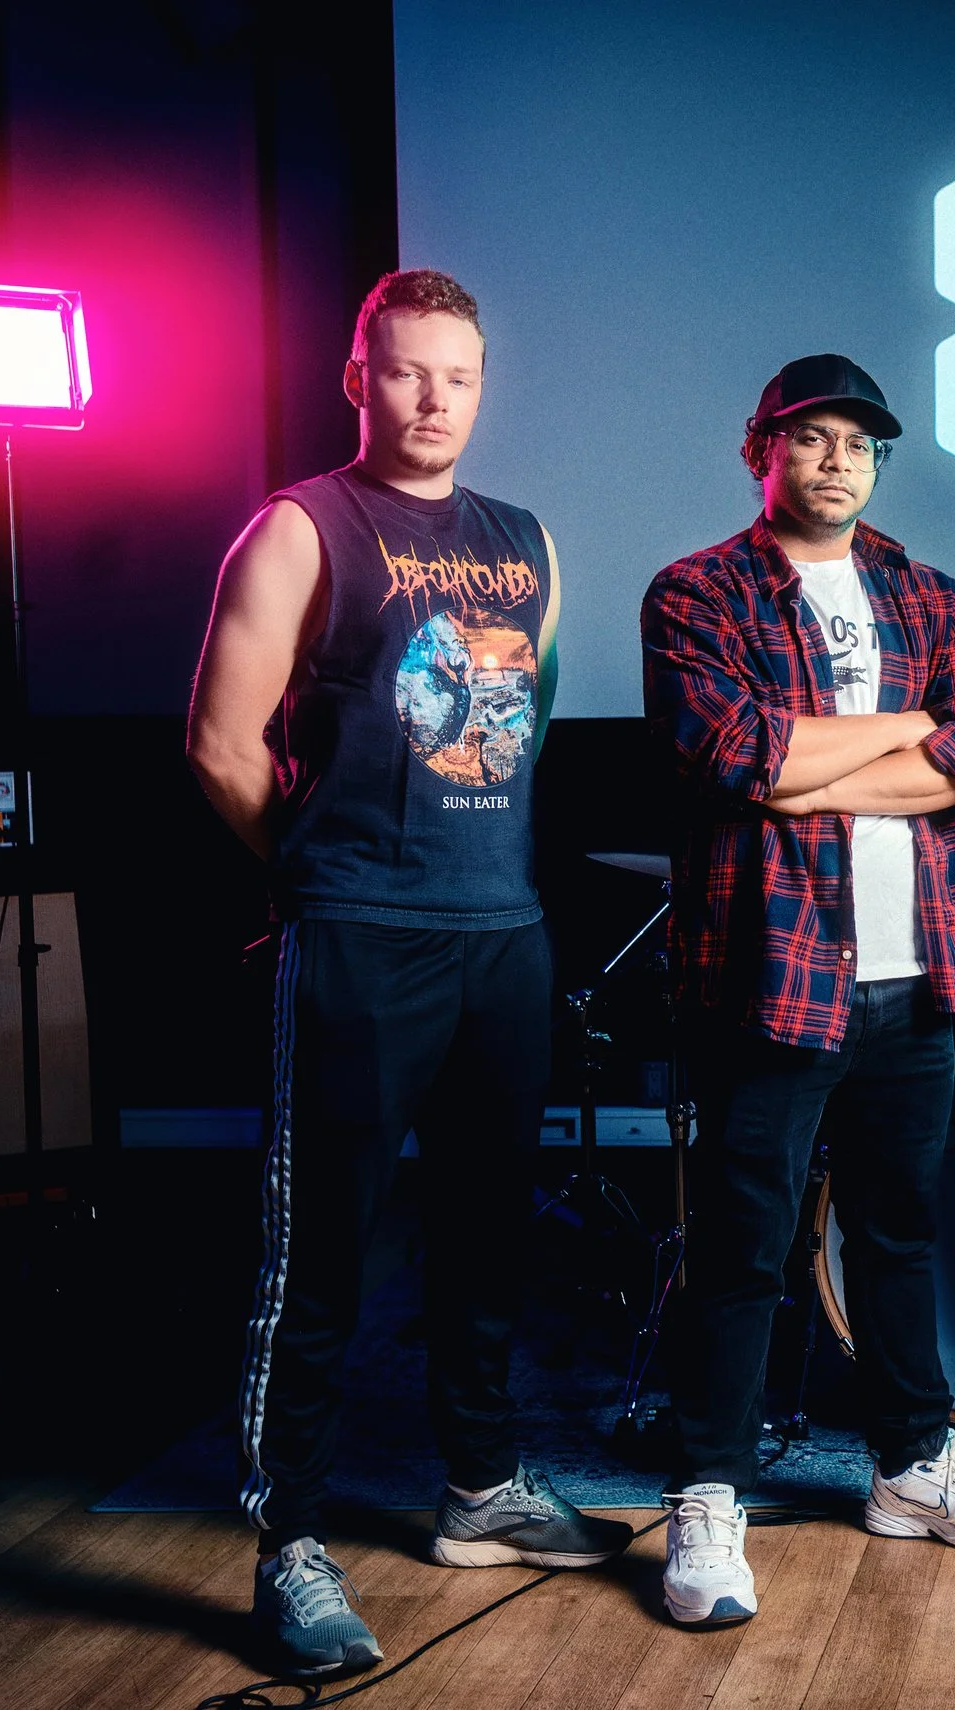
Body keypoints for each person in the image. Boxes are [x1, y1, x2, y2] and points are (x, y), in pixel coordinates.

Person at [186, 269, 628, 1679]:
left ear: (482, 385)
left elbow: (528, 724)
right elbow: (220, 741)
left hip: (501, 933)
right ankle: (290, 1543)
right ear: (356, 377)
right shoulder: (302, 526)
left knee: (493, 1235)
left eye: (458, 377)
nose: (433, 401)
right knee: (317, 1255)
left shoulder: (527, 538)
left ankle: (481, 1488)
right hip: (360, 938)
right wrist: (322, 870)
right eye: (406, 373)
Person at [640, 354, 955, 1628]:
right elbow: (735, 757)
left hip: (915, 967)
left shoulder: (932, 591)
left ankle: (910, 1467)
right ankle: (709, 1496)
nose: (834, 462)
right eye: (808, 439)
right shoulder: (695, 591)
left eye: (857, 445)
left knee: (900, 1234)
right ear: (759, 450)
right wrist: (896, 729)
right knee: (740, 1253)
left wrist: (821, 761)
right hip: (773, 974)